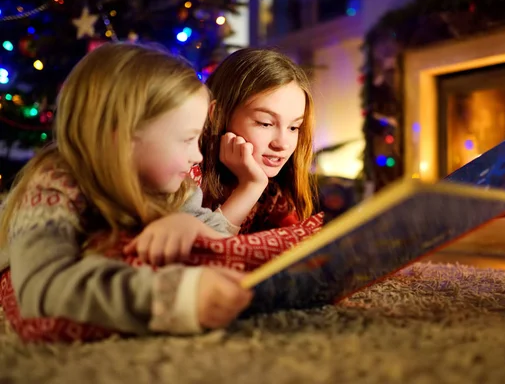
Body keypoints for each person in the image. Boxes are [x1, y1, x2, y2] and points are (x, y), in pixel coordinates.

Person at [0, 42, 254, 336]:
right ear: (121, 137)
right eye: (187, 140)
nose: (197, 156)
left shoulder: (173, 188)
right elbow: (41, 287)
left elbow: (221, 242)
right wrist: (173, 296)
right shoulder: (54, 184)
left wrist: (190, 224)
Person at [198, 48, 318, 234]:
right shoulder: (183, 175)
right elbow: (201, 251)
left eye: (294, 128)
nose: (282, 144)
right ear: (218, 114)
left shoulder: (274, 196)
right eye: (265, 123)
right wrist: (250, 186)